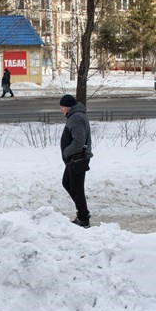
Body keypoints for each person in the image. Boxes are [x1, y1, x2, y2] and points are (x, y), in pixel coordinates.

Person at [59, 94, 93, 228]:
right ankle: (83, 212)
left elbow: (79, 141)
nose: (60, 109)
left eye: (62, 107)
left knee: (77, 189)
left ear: (68, 106)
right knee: (67, 183)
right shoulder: (74, 116)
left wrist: (66, 152)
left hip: (77, 159)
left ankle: (83, 218)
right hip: (74, 159)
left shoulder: (76, 118)